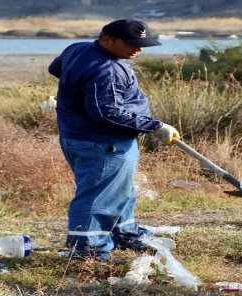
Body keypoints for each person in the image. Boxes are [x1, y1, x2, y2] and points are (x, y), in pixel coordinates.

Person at [48, 19, 181, 262]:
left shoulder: (77, 49)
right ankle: (88, 251)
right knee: (99, 197)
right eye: (132, 44)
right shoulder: (105, 69)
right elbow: (105, 112)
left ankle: (126, 233)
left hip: (79, 136)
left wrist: (76, 93)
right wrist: (155, 126)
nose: (138, 49)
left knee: (119, 191)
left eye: (142, 44)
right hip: (102, 143)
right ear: (107, 39)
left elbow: (56, 69)